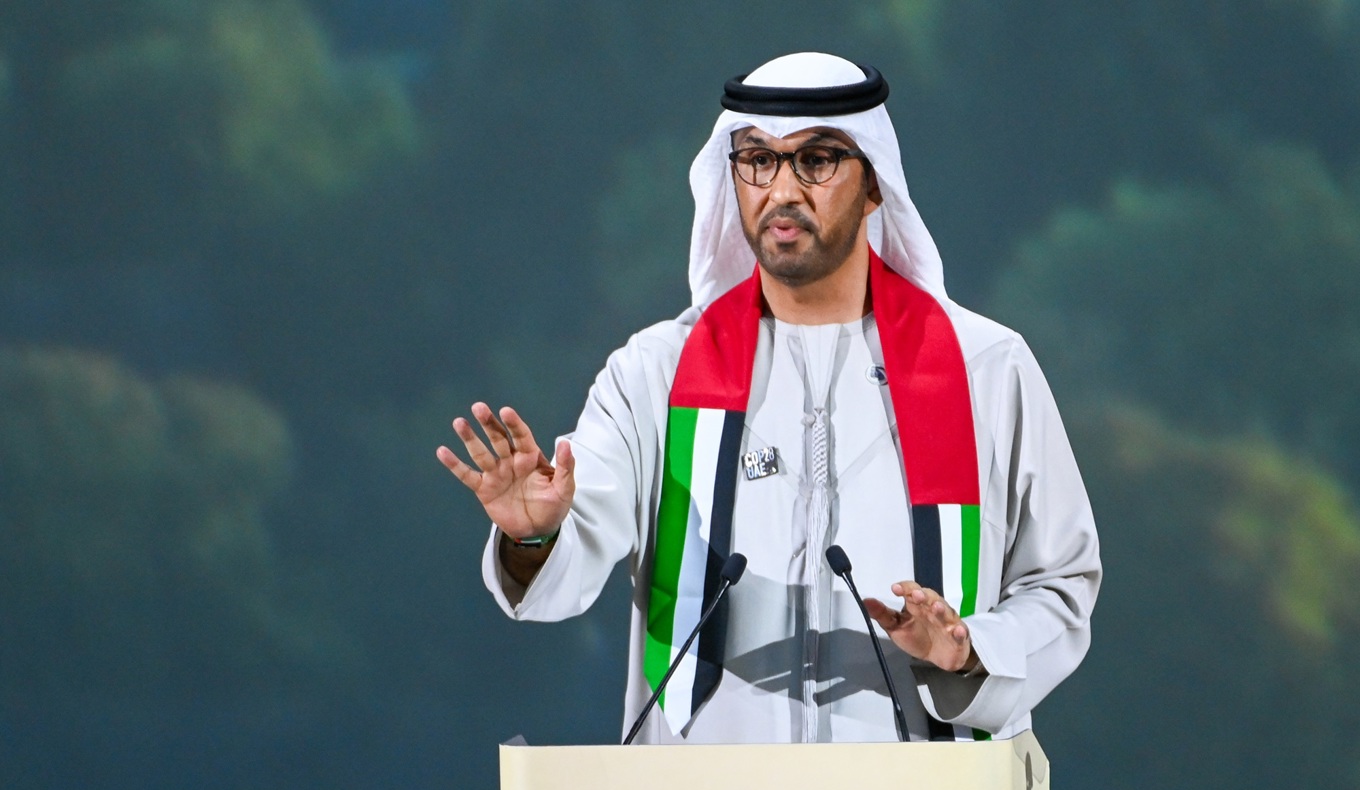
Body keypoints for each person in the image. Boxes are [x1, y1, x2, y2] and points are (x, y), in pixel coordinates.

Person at [437, 52, 1101, 745]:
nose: (782, 189)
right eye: (758, 160)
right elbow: (567, 562)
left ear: (874, 186)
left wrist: (969, 649)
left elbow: (1061, 586)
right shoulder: (656, 374)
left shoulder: (985, 370)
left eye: (815, 161)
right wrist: (533, 534)